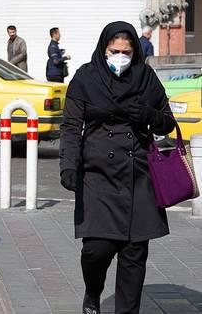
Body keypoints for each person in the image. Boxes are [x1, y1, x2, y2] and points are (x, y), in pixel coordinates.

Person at [59, 21, 175, 314]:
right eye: (114, 51)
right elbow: (72, 126)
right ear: (104, 49)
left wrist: (148, 114)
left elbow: (167, 122)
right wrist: (68, 165)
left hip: (138, 173)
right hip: (97, 173)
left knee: (135, 253)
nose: (120, 57)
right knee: (96, 250)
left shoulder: (146, 77)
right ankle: (93, 292)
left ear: (135, 51)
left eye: (126, 51)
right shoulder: (86, 77)